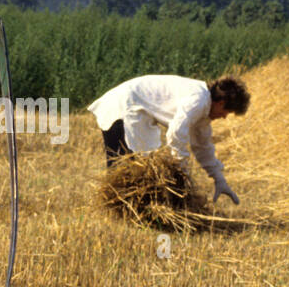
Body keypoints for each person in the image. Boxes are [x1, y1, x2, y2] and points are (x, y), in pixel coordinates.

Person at [87, 74, 250, 204]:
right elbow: (176, 132)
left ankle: (132, 213)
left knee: (135, 169)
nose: (224, 117)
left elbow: (203, 146)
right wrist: (182, 171)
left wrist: (219, 179)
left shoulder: (204, 110)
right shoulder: (198, 100)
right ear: (221, 103)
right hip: (122, 105)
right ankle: (117, 213)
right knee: (122, 168)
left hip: (136, 110)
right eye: (226, 113)